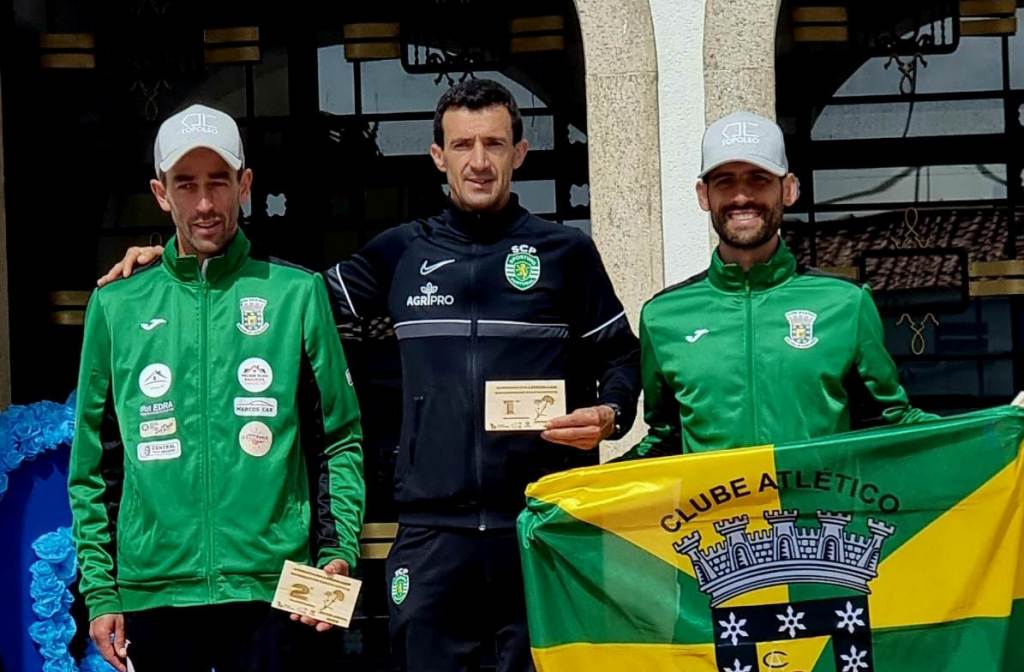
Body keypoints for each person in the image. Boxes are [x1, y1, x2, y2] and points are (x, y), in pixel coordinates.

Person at [97, 80, 642, 672]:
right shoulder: (399, 252)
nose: (479, 162)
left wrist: (611, 414)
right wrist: (178, 263)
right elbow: (285, 298)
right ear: (438, 156)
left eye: (493, 144)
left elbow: (621, 356)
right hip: (433, 536)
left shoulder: (566, 252)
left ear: (521, 152)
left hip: (540, 524)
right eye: (462, 145)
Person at [70, 104, 366, 672]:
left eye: (218, 182)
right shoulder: (114, 306)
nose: (204, 204)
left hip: (279, 592)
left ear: (245, 186)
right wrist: (102, 591)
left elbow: (340, 437)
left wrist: (336, 553)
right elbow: (94, 463)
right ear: (161, 193)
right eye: (186, 184)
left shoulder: (296, 295)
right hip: (154, 592)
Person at [625, 110, 936, 459]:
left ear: (788, 190)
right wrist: (571, 495)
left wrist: (998, 436)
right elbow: (665, 439)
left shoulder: (846, 302)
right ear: (703, 195)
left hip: (817, 513)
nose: (741, 196)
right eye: (725, 181)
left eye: (758, 179)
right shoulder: (663, 316)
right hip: (718, 514)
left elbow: (890, 419)